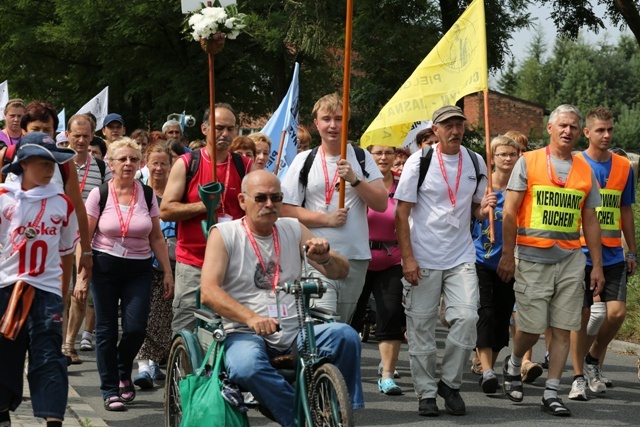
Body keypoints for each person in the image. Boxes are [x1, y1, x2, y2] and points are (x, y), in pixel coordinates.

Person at [200, 170, 364, 427]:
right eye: (261, 198)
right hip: (245, 332)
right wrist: (251, 318)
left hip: (294, 330)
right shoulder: (224, 233)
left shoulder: (292, 227)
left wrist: (325, 257)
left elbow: (341, 272)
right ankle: (297, 418)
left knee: (346, 336)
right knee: (247, 367)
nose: (269, 204)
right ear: (243, 200)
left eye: (276, 198)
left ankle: (335, 410)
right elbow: (208, 291)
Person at [497, 104, 605, 417]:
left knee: (562, 327)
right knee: (531, 328)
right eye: (563, 125)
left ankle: (551, 391)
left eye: (574, 126)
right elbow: (509, 211)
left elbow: (591, 219)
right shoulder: (528, 161)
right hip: (531, 256)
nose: (568, 131)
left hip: (571, 258)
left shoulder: (585, 169)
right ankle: (515, 363)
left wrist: (595, 265)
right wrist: (507, 254)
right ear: (550, 128)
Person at [394, 105, 495, 417]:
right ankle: (426, 393)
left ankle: (450, 384)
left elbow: (476, 210)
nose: (455, 131)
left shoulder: (476, 161)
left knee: (467, 318)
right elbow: (402, 212)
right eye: (448, 125)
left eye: (459, 125)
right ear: (435, 130)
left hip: (460, 254)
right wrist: (408, 258)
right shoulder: (419, 161)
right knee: (421, 328)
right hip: (423, 255)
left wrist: (485, 207)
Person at [280, 93, 387, 323]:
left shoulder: (360, 157)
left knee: (341, 325)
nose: (333, 125)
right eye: (326, 119)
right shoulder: (304, 160)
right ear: (316, 123)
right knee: (322, 321)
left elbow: (381, 203)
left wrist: (355, 180)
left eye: (339, 119)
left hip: (355, 257)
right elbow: (286, 210)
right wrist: (325, 220)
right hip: (316, 256)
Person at [84, 138, 173, 411]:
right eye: (122, 159)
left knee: (136, 329)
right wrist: (80, 276)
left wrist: (167, 271)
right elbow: (85, 239)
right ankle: (110, 389)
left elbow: (157, 237)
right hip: (105, 267)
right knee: (107, 331)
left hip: (139, 269)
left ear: (139, 164)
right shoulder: (99, 194)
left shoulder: (146, 194)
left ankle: (123, 370)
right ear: (110, 164)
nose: (128, 164)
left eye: (133, 159)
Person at [0, 132, 80, 427]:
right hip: (8, 289)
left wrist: (64, 290)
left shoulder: (63, 204)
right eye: (43, 163)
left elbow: (67, 251)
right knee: (6, 352)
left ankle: (53, 419)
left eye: (54, 163)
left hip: (47, 294)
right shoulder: (4, 199)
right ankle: (2, 410)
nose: (50, 169)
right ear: (24, 163)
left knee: (49, 357)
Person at [161, 103, 253, 335]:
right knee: (187, 329)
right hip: (193, 261)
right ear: (204, 129)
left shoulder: (245, 166)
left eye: (230, 129)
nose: (225, 134)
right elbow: (167, 210)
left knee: (231, 329)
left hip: (233, 263)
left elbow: (256, 209)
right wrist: (204, 206)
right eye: (219, 128)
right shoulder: (187, 163)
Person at [568, 107, 636, 401]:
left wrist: (632, 250)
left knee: (616, 313)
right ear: (587, 133)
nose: (606, 135)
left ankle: (593, 357)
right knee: (581, 317)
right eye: (600, 130)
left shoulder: (624, 166)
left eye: (610, 130)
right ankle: (577, 376)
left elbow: (626, 209)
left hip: (613, 253)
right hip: (578, 251)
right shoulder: (573, 162)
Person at [351, 145, 405, 395]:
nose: (383, 158)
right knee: (351, 317)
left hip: (391, 258)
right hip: (359, 257)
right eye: (378, 153)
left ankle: (387, 375)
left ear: (395, 156)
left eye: (388, 153)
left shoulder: (403, 183)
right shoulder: (358, 182)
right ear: (369, 157)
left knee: (391, 312)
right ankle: (344, 371)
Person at [473, 135, 519, 395]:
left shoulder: (521, 187)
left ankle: (492, 358)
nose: (507, 159)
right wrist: (482, 208)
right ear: (492, 157)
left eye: (512, 154)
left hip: (509, 260)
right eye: (502, 154)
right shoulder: (483, 185)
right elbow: (473, 213)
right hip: (480, 258)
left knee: (502, 317)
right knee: (485, 312)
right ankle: (487, 369)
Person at [63, 114, 112, 365]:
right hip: (59, 235)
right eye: (76, 135)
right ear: (67, 134)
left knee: (80, 291)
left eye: (85, 136)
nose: (81, 140)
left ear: (93, 136)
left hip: (86, 236)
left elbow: (110, 200)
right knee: (61, 291)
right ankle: (59, 344)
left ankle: (70, 344)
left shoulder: (102, 167)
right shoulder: (58, 163)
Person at [133, 142, 176, 389]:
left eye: (163, 163)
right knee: (143, 315)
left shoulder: (176, 194)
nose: (159, 168)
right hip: (141, 262)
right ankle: (144, 366)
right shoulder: (139, 192)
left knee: (164, 316)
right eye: (155, 163)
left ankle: (154, 361)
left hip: (170, 263)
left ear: (170, 166)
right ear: (146, 165)